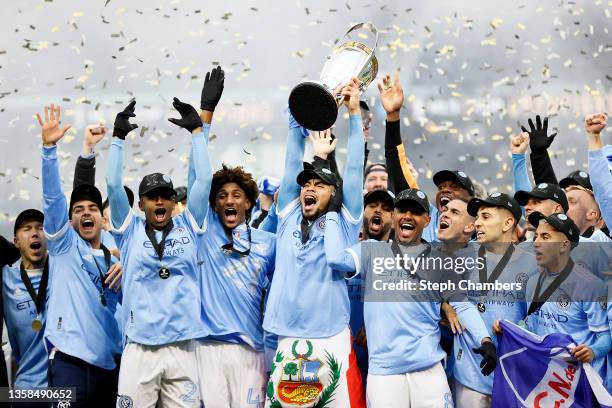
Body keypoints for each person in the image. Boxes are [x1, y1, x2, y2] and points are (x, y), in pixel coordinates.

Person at [325, 188, 496, 408]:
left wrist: (485, 340)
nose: (407, 216)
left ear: (426, 220)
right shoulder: (371, 251)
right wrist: (331, 213)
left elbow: (461, 304)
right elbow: (336, 260)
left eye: (415, 212)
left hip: (429, 372)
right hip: (384, 375)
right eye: (402, 210)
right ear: (394, 216)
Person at [107, 77, 217, 406]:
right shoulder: (129, 230)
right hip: (139, 348)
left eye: (165, 197)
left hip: (183, 348)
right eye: (152, 197)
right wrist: (117, 139)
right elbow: (113, 185)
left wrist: (198, 133)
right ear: (141, 203)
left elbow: (205, 179)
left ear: (173, 202)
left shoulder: (190, 225)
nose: (159, 202)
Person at [264, 78, 366, 408]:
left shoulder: (346, 219)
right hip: (287, 337)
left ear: (334, 192)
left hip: (332, 339)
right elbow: (292, 158)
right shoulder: (289, 214)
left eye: (319, 184)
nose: (309, 187)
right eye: (306, 183)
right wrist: (298, 115)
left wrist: (352, 112)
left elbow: (353, 168)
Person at [37, 104, 123, 407]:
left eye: (92, 210)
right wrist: (49, 148)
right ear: (69, 221)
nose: (86, 214)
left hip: (111, 365)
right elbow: (53, 197)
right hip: (69, 364)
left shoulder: (118, 250)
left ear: (102, 217)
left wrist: (128, 265)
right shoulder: (64, 245)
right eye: (78, 211)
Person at [187, 161, 275, 405]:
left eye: (237, 195)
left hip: (251, 352)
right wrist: (200, 130)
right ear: (214, 204)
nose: (229, 201)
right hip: (207, 349)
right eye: (222, 196)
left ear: (248, 203)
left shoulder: (269, 243)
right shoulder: (202, 235)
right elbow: (197, 181)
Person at [493, 211, 611, 378]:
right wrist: (508, 329)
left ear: (564, 245)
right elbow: (530, 326)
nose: (537, 242)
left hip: (579, 381)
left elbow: (605, 335)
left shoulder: (590, 286)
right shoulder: (532, 281)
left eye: (546, 237)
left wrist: (593, 351)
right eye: (537, 236)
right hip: (546, 378)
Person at [451, 193, 535, 406]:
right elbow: (455, 300)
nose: (477, 223)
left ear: (508, 223)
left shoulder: (531, 263)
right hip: (470, 374)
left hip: (512, 374)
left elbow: (536, 318)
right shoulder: (461, 256)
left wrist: (517, 327)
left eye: (486, 217)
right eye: (477, 217)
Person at [2, 209, 48, 393]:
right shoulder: (5, 277)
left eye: (40, 227)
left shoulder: (64, 272)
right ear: (16, 242)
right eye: (27, 229)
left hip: (66, 383)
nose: (35, 233)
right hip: (27, 388)